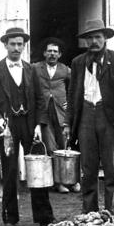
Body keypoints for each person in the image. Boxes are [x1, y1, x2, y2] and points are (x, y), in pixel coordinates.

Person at [0, 27, 55, 226]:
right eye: (12, 44)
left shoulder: (31, 70)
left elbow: (41, 100)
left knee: (37, 169)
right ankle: (10, 218)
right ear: (5, 45)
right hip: (8, 128)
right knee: (10, 171)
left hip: (30, 125)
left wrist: (40, 125)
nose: (16, 48)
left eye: (20, 44)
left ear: (24, 46)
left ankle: (44, 217)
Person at [64, 19, 114, 215]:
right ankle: (90, 213)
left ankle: (112, 213)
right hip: (86, 117)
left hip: (109, 116)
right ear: (85, 41)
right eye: (90, 38)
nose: (94, 41)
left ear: (105, 38)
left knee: (111, 169)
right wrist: (68, 123)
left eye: (98, 37)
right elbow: (71, 95)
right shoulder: (78, 63)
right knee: (88, 169)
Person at [32, 37, 80, 194]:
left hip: (61, 111)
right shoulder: (35, 68)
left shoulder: (65, 69)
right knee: (51, 146)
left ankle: (72, 181)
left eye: (55, 52)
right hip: (43, 111)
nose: (52, 54)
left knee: (65, 145)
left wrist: (70, 104)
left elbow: (76, 86)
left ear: (59, 54)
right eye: (49, 51)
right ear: (44, 53)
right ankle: (57, 182)